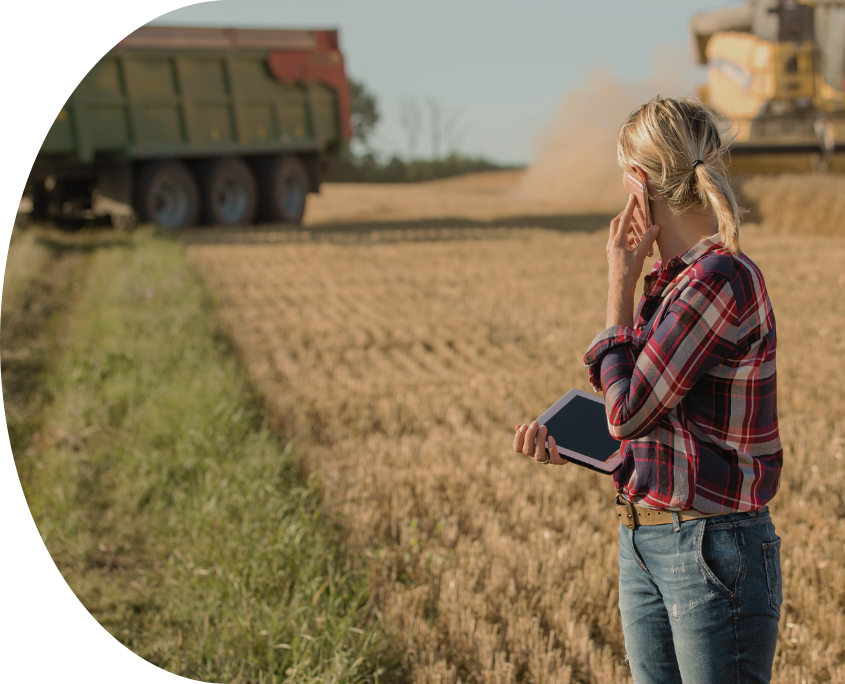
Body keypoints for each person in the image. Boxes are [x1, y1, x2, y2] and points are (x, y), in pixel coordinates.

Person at [512, 96, 783, 683]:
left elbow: (629, 411)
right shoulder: (678, 284)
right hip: (648, 537)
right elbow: (655, 422)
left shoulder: (719, 279)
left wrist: (618, 287)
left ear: (637, 184)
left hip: (711, 549)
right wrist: (577, 443)